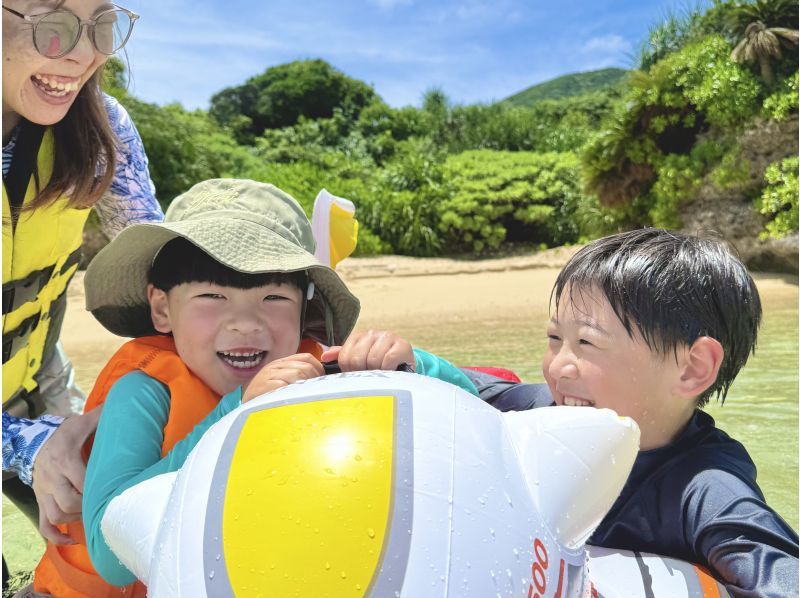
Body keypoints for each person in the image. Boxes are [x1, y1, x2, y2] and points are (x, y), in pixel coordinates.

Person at [28, 178, 478, 596]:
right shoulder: (142, 394)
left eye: (273, 298)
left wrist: (413, 365)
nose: (245, 323)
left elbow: (476, 411)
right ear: (162, 309)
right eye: (212, 298)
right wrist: (235, 414)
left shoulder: (318, 370)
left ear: (305, 310)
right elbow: (112, 557)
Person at [479, 228, 797, 596]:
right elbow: (477, 389)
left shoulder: (707, 491)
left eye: (586, 342)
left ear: (692, 368)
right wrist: (416, 361)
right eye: (554, 339)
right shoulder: (547, 413)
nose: (558, 367)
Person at [2, 0, 162, 554]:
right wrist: (29, 448)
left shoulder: (102, 129)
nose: (80, 53)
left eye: (101, 24)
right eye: (53, 23)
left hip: (34, 375)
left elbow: (159, 266)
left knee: (105, 547)